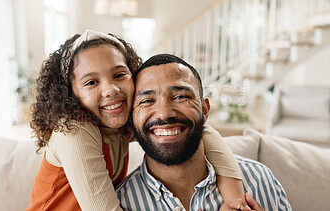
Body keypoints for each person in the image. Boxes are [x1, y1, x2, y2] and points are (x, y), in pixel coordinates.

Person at [26, 30, 246, 211]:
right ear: (70, 94)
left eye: (120, 75)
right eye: (91, 82)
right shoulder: (74, 132)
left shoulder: (119, 124)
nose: (110, 90)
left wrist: (235, 202)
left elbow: (202, 132)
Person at [115, 54, 292, 211]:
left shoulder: (260, 179)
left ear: (205, 109)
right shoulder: (121, 202)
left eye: (180, 97)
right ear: (131, 119)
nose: (164, 113)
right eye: (146, 100)